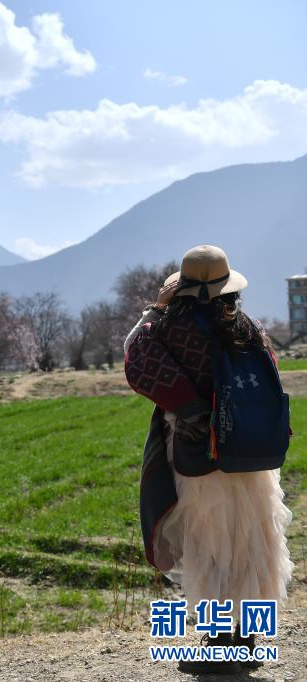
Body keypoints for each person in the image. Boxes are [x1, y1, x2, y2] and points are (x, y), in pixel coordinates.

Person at [124, 245, 293, 675]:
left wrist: (154, 310)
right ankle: (247, 642)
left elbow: (136, 361)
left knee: (211, 544)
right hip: (252, 454)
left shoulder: (168, 328)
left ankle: (219, 648)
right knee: (252, 542)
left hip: (201, 453)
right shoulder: (246, 328)